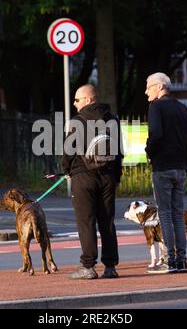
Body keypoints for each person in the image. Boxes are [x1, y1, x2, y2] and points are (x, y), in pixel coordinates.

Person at [62, 84, 123, 279]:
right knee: (107, 221)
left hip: (83, 176)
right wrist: (117, 176)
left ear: (88, 100)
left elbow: (68, 152)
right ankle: (110, 266)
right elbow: (119, 151)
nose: (74, 103)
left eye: (77, 100)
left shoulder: (77, 121)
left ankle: (88, 267)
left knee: (86, 222)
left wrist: (66, 171)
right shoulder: (112, 119)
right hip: (108, 176)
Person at [144, 72, 187, 274]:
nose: (146, 91)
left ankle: (169, 260)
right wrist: (186, 163)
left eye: (148, 86)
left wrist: (148, 152)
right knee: (177, 214)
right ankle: (181, 260)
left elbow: (156, 135)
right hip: (180, 167)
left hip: (163, 167)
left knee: (164, 214)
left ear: (159, 87)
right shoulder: (182, 108)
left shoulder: (156, 107)